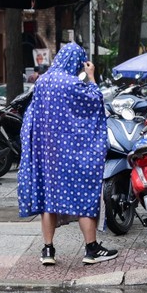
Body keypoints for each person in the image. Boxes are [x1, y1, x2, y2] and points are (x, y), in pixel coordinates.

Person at [17, 42, 118, 266]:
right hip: (73, 153)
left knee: (49, 200)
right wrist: (91, 77)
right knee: (84, 195)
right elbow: (96, 101)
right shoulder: (73, 83)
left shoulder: (42, 81)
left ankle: (47, 250)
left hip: (47, 154)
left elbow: (32, 117)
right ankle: (91, 248)